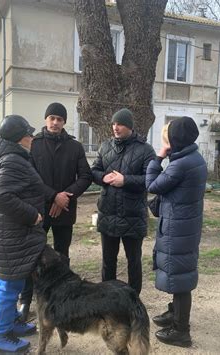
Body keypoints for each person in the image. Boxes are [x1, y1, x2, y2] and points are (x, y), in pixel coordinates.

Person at [19, 102, 92, 321]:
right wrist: (53, 196)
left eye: (59, 119)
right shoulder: (35, 145)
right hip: (39, 210)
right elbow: (29, 177)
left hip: (65, 210)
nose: (55, 122)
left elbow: (86, 177)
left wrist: (65, 197)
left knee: (62, 255)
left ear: (64, 122)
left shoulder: (75, 147)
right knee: (32, 256)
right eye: (51, 117)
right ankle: (26, 301)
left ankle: (63, 299)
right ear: (45, 120)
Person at [0, 115, 47, 353]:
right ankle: (1, 338)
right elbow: (1, 196)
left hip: (8, 234)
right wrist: (32, 215)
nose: (32, 137)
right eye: (29, 134)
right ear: (20, 138)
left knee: (11, 282)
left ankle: (10, 323)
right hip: (11, 235)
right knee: (9, 287)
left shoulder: (8, 156)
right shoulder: (13, 160)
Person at [146, 116, 207, 348]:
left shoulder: (181, 164)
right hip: (184, 225)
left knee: (180, 277)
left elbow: (151, 185)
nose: (165, 142)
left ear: (175, 140)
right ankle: (175, 314)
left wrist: (159, 155)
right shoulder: (193, 158)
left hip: (179, 227)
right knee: (180, 273)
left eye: (167, 139)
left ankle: (182, 331)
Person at [91, 108, 155, 295]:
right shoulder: (105, 147)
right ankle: (107, 298)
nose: (115, 127)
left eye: (120, 124)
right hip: (108, 213)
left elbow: (151, 180)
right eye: (113, 124)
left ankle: (134, 299)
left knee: (133, 260)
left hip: (132, 215)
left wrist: (125, 180)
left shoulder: (145, 149)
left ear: (130, 127)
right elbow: (93, 171)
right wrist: (104, 178)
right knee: (107, 261)